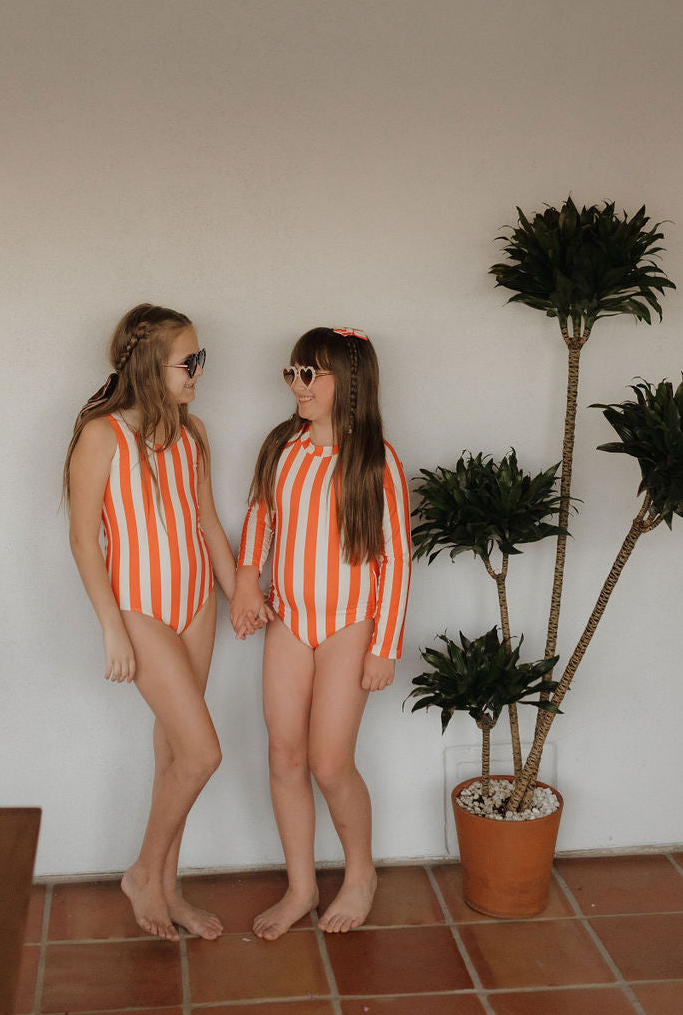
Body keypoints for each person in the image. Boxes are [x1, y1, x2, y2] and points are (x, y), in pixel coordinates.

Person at [65, 303, 270, 942]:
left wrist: (238, 592)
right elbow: (83, 540)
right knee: (204, 753)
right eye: (191, 361)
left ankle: (168, 888)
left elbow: (205, 520)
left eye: (200, 359)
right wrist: (111, 627)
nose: (200, 372)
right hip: (140, 609)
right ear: (153, 365)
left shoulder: (193, 432)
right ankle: (143, 873)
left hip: (195, 605)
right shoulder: (102, 435)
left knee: (176, 754)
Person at [230, 326, 411, 938]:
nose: (297, 385)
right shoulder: (282, 447)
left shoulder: (377, 461)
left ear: (349, 380)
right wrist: (247, 582)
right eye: (292, 372)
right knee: (284, 754)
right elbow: (261, 516)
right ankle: (301, 885)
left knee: (330, 763)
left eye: (310, 374)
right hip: (288, 620)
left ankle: (360, 874)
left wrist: (384, 646)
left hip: (349, 626)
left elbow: (396, 560)